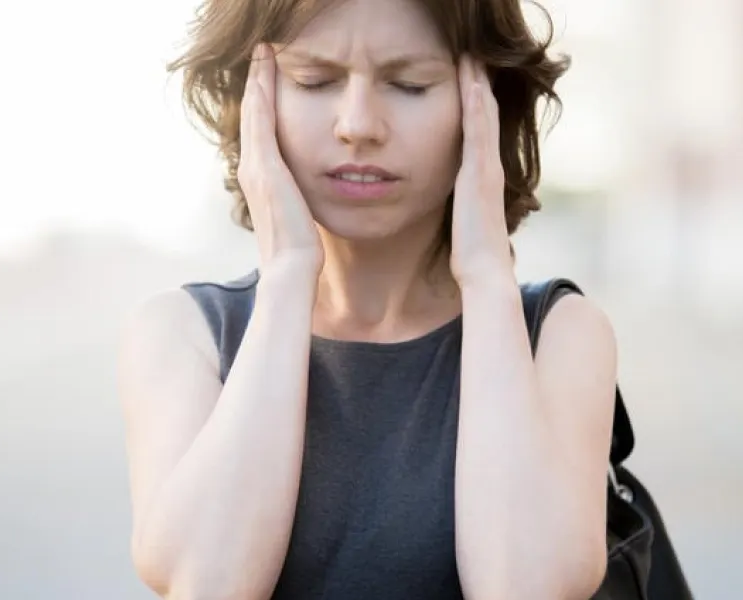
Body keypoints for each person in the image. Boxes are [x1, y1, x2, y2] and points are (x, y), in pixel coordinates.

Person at [117, 0, 620, 598]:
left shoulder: (560, 337)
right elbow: (205, 585)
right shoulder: (183, 333)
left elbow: (527, 587)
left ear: (483, 101)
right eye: (315, 81)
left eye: (409, 85)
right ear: (253, 99)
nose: (358, 124)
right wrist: (287, 279)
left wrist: (487, 277)